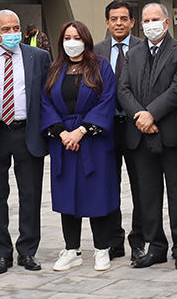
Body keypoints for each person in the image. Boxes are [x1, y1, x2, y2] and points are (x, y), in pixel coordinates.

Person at [0, 10, 52, 274]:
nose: (12, 33)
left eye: (16, 28)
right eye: (6, 29)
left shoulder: (38, 57)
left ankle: (28, 251)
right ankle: (2, 252)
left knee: (30, 195)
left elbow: (47, 98)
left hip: (28, 133)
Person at [117, 3, 177, 270]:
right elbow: (124, 89)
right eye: (146, 20)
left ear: (166, 22)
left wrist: (152, 113)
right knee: (147, 196)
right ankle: (156, 247)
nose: (150, 24)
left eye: (155, 19)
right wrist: (141, 116)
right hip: (140, 136)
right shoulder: (134, 53)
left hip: (171, 135)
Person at [41, 21, 120, 272]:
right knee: (67, 196)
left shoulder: (101, 66)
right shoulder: (55, 68)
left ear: (86, 41)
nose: (71, 42)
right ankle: (71, 249)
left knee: (97, 194)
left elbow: (107, 100)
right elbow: (45, 102)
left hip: (93, 142)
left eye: (77, 37)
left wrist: (81, 131)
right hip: (64, 143)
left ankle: (101, 249)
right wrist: (63, 133)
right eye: (67, 37)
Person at [96, 0, 140, 261]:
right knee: (108, 186)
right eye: (114, 19)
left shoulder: (143, 48)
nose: (119, 23)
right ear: (107, 22)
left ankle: (138, 241)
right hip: (105, 129)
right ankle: (114, 241)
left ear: (132, 22)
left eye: (124, 18)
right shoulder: (97, 50)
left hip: (135, 127)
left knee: (141, 188)